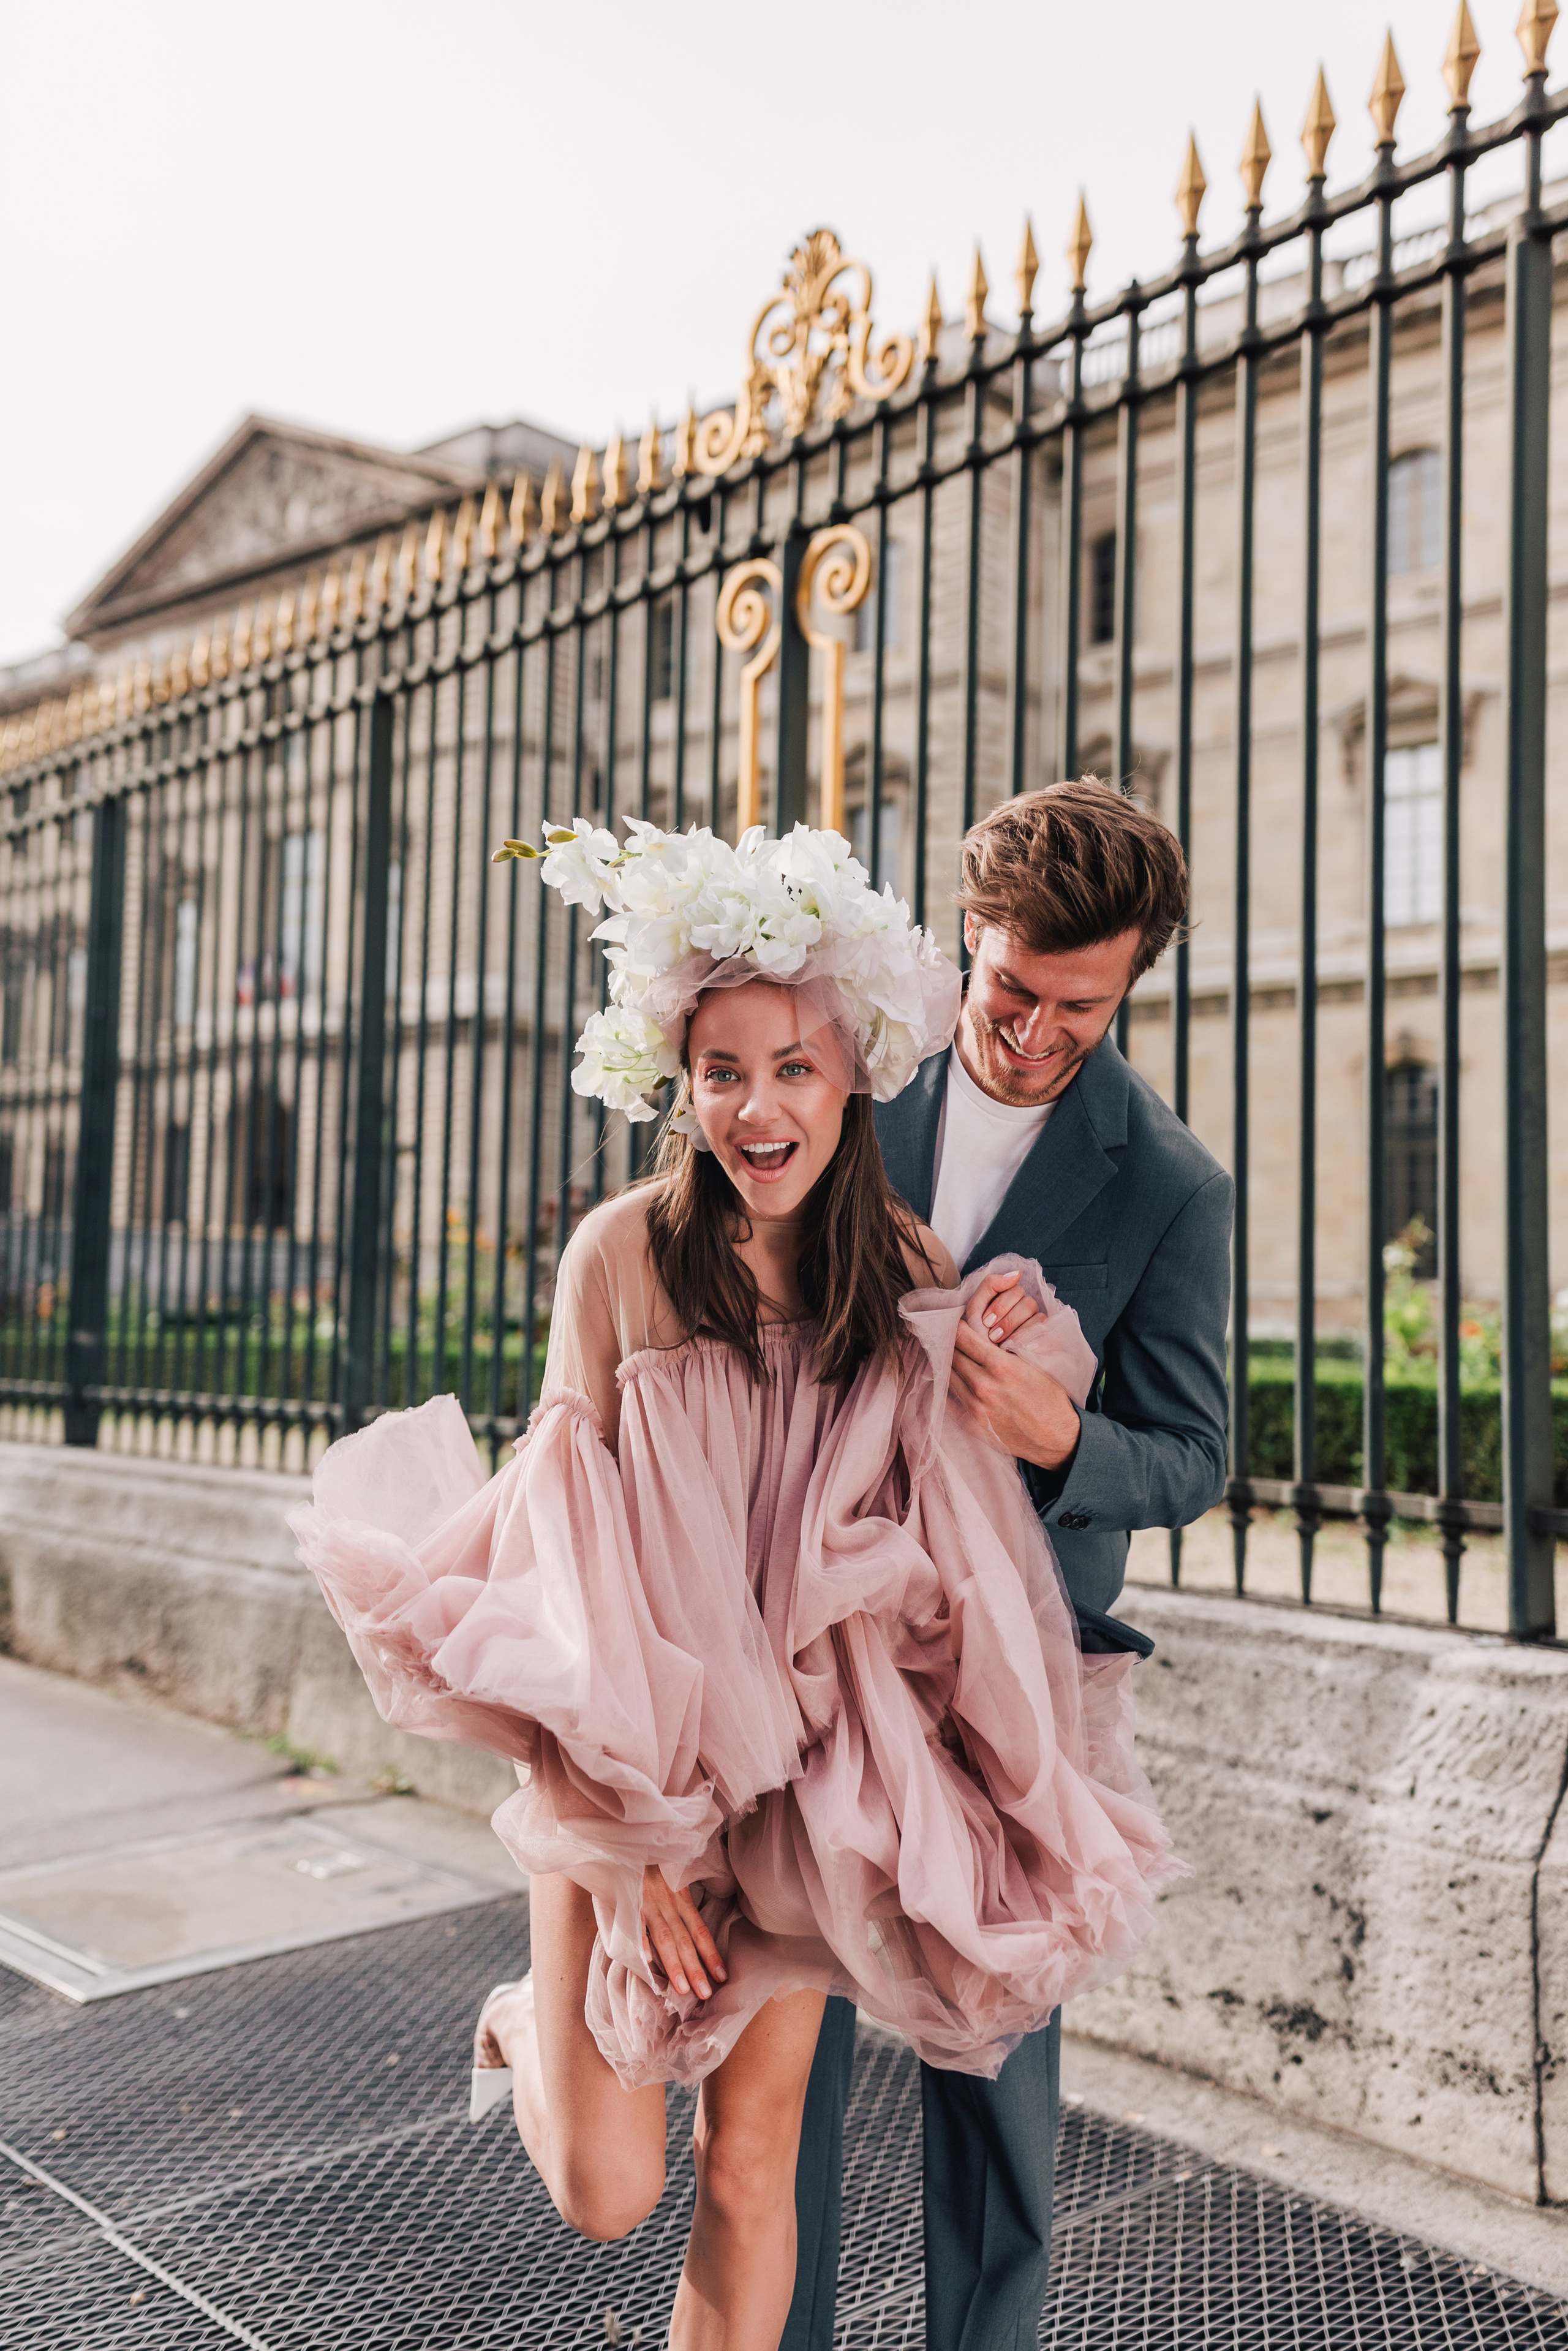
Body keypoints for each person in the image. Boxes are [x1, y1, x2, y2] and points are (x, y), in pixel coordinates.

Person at [290, 814, 1182, 2351]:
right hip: (625, 1763)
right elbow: (562, 1561)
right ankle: (530, 2015)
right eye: (720, 1070)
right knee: (603, 2187)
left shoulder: (896, 1262)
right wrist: (631, 1850)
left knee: (750, 2163)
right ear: (677, 1077)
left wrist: (1026, 1363)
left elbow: (934, 1539)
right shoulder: (616, 1258)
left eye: (791, 1067)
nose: (756, 1105)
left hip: (792, 1778)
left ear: (848, 1075)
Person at [783, 779, 1234, 2351]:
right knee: (786, 2050)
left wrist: (1059, 1431)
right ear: (969, 935)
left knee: (990, 2076)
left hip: (1006, 1674)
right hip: (810, 1630)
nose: (1035, 1032)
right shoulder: (848, 1066)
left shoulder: (1171, 1182)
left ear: (1128, 986)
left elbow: (1192, 1454)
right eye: (1011, 988)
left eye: (1080, 1007)